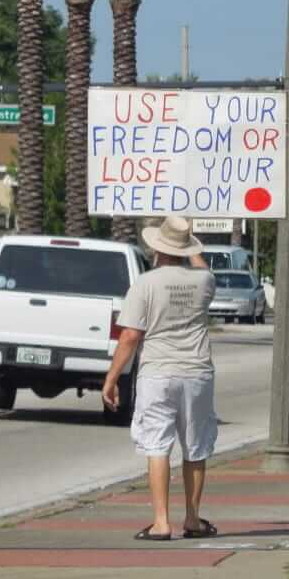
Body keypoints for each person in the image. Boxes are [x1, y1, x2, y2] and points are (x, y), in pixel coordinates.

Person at [102, 216, 218, 541]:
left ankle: (161, 522)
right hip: (196, 371)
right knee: (195, 446)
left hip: (157, 373)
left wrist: (112, 378)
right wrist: (191, 244)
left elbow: (130, 336)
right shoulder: (204, 281)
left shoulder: (145, 284)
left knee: (157, 445)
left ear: (157, 249)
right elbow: (202, 266)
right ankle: (192, 518)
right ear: (185, 249)